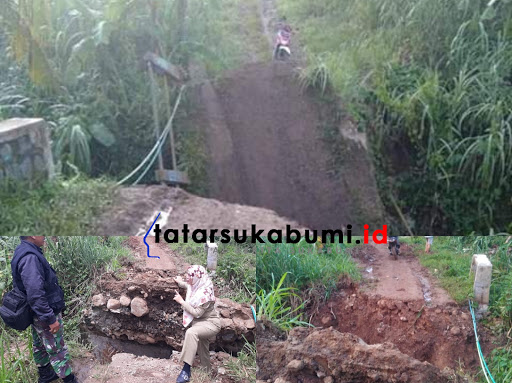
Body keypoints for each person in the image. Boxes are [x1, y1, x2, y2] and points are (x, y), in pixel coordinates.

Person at [11, 236, 79, 383]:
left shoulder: (24, 250)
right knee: (57, 348)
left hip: (36, 312)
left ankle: (46, 374)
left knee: (40, 344)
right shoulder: (30, 257)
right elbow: (35, 293)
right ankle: (69, 379)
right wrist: (50, 318)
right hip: (43, 313)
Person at [173, 265, 221, 383]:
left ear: (197, 277)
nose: (187, 277)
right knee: (202, 347)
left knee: (191, 332)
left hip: (211, 323)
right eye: (187, 274)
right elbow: (188, 285)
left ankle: (186, 370)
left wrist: (182, 301)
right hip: (200, 322)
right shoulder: (197, 283)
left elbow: (197, 313)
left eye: (190, 275)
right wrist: (180, 282)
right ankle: (207, 372)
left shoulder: (205, 293)